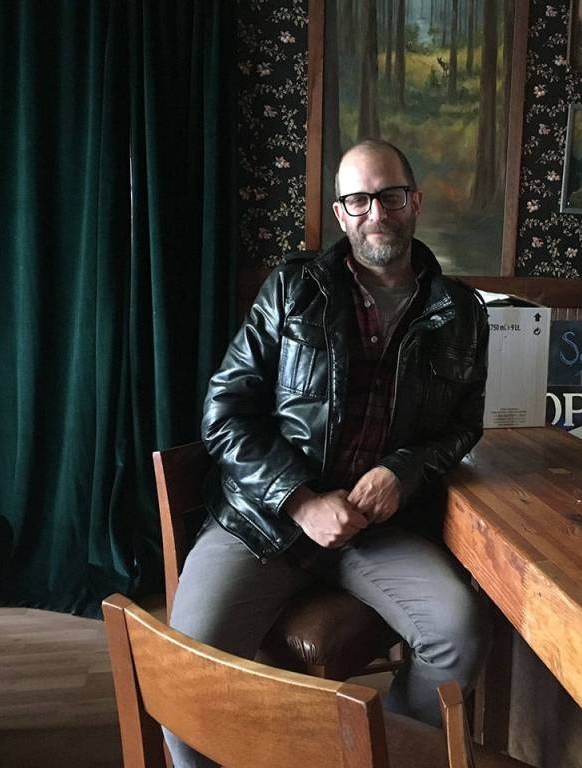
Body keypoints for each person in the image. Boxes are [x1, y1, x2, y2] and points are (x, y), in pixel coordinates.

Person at [164, 139, 491, 766]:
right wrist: (299, 500)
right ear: (340, 213)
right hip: (265, 520)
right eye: (359, 199)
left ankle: (383, 754)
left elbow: (462, 426)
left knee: (458, 631)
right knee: (185, 674)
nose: (377, 212)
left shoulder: (462, 313)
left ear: (415, 201)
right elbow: (224, 413)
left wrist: (403, 470)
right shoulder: (293, 289)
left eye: (390, 196)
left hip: (377, 529)